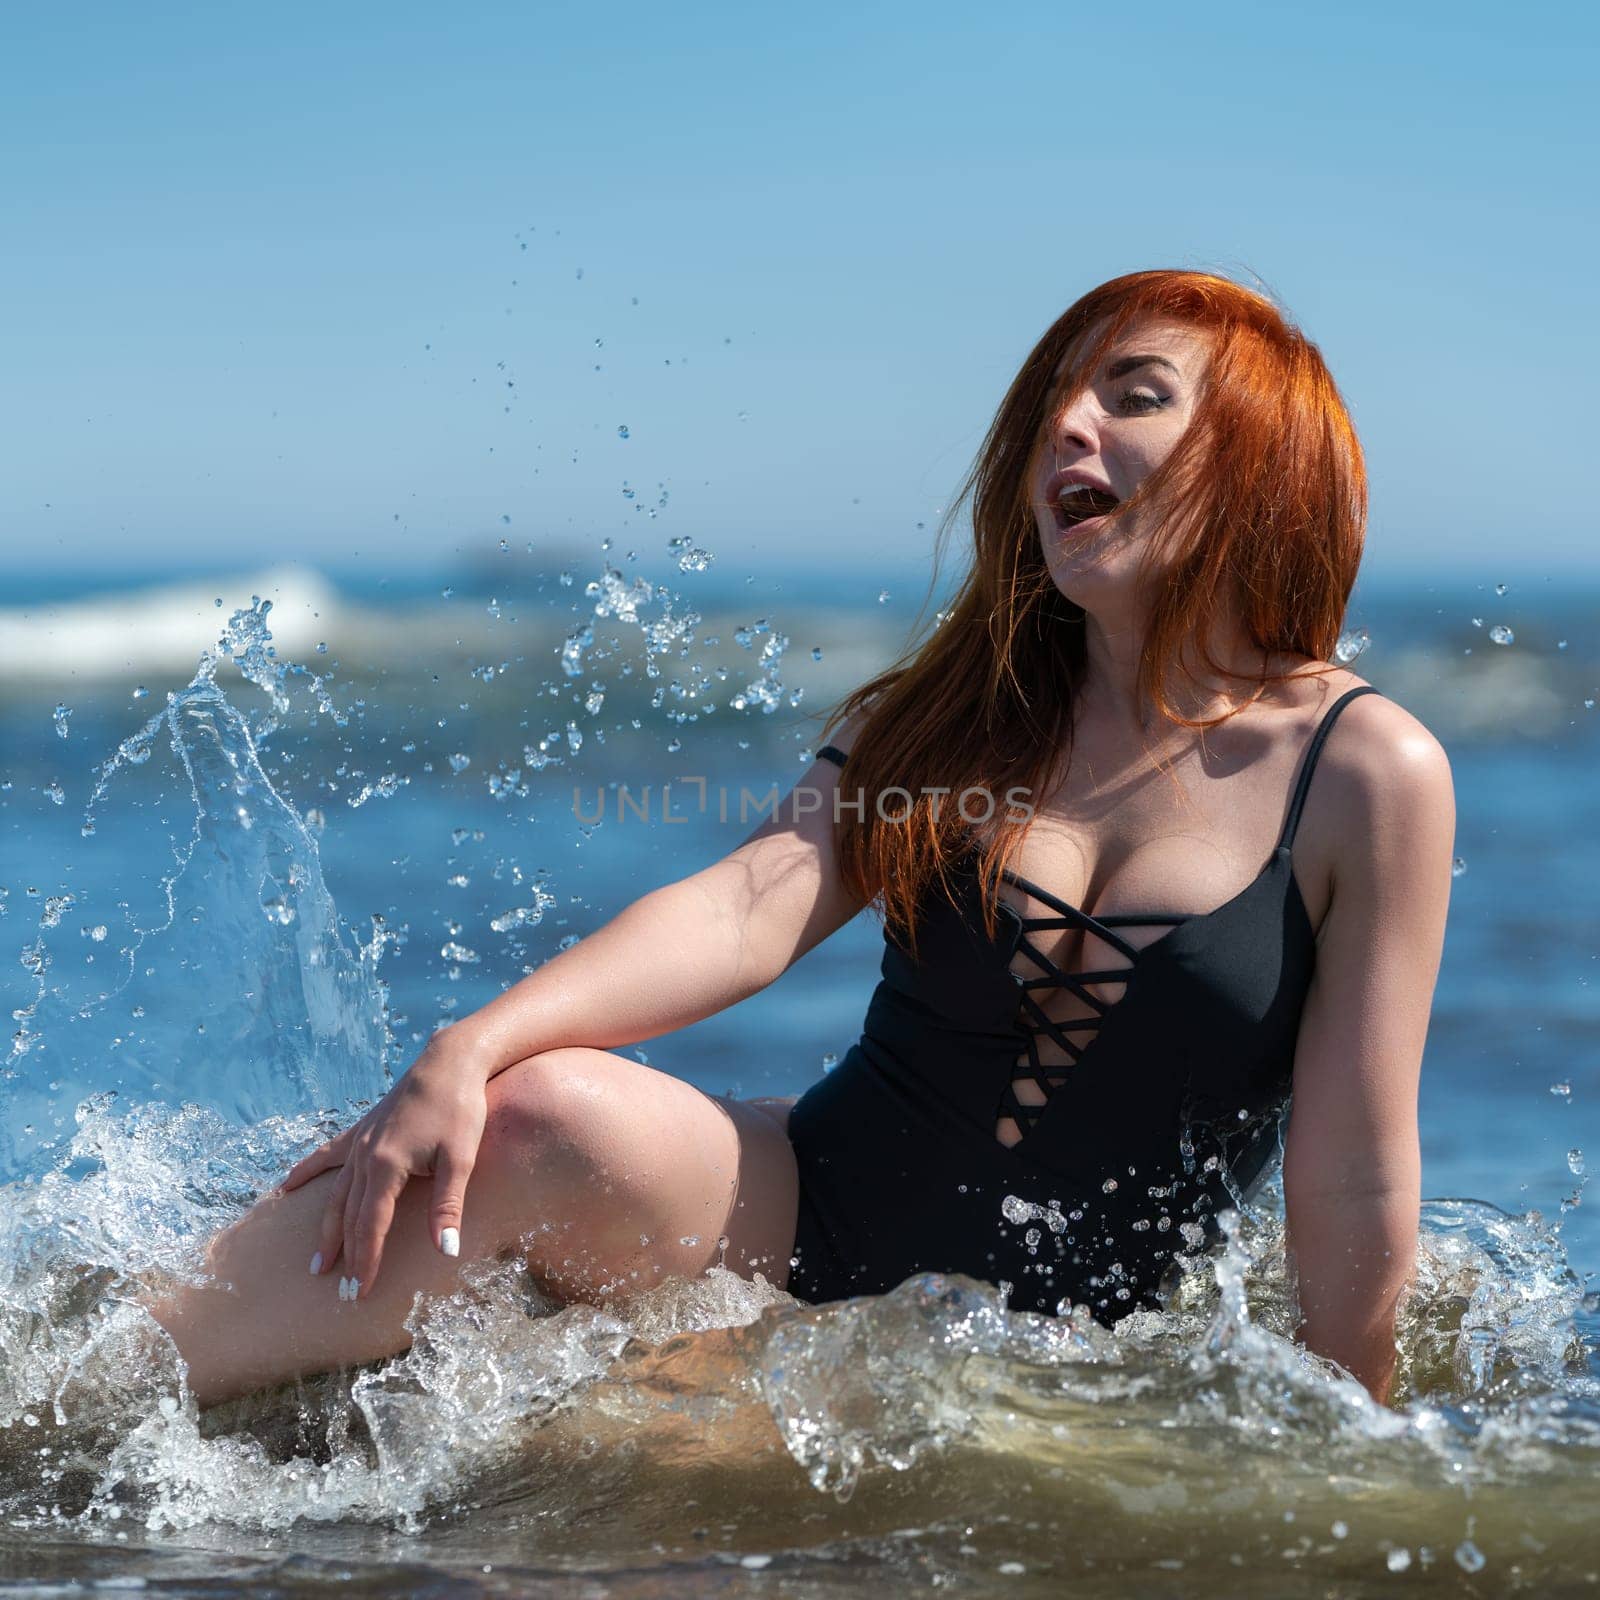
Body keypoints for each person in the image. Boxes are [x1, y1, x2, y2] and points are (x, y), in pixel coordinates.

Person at [143, 270, 1455, 1410]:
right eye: (1057, 399)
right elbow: (744, 908)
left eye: (1134, 393)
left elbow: (1351, 1178)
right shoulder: (947, 716)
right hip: (808, 1224)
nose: (1067, 422)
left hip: (1082, 1352)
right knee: (525, 1112)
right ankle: (101, 1392)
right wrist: (472, 1045)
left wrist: (1342, 1463)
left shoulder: (1364, 770)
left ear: (1258, 452)